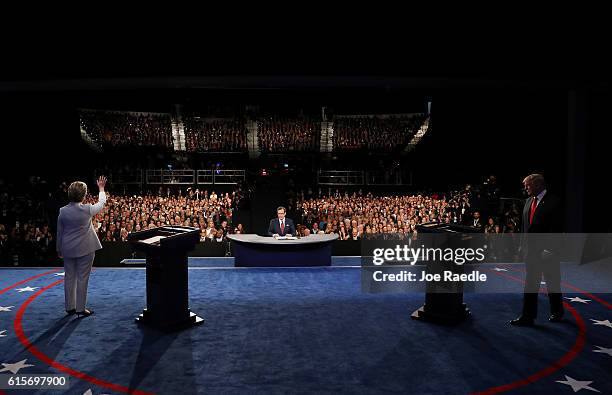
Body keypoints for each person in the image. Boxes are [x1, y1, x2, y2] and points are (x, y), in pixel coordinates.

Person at [510, 174, 564, 326]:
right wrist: (522, 245)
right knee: (530, 284)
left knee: (552, 282)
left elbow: (557, 229)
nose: (525, 188)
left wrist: (550, 249)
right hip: (531, 252)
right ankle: (528, 317)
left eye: (527, 185)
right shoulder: (528, 201)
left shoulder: (554, 202)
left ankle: (557, 312)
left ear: (537, 185)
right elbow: (525, 227)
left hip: (548, 253)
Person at [56, 176, 107, 318]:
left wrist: (59, 248)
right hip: (86, 248)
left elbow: (60, 232)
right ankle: (80, 308)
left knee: (69, 277)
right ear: (84, 195)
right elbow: (102, 203)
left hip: (67, 249)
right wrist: (101, 188)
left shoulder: (62, 211)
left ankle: (69, 307)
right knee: (83, 278)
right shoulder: (87, 209)